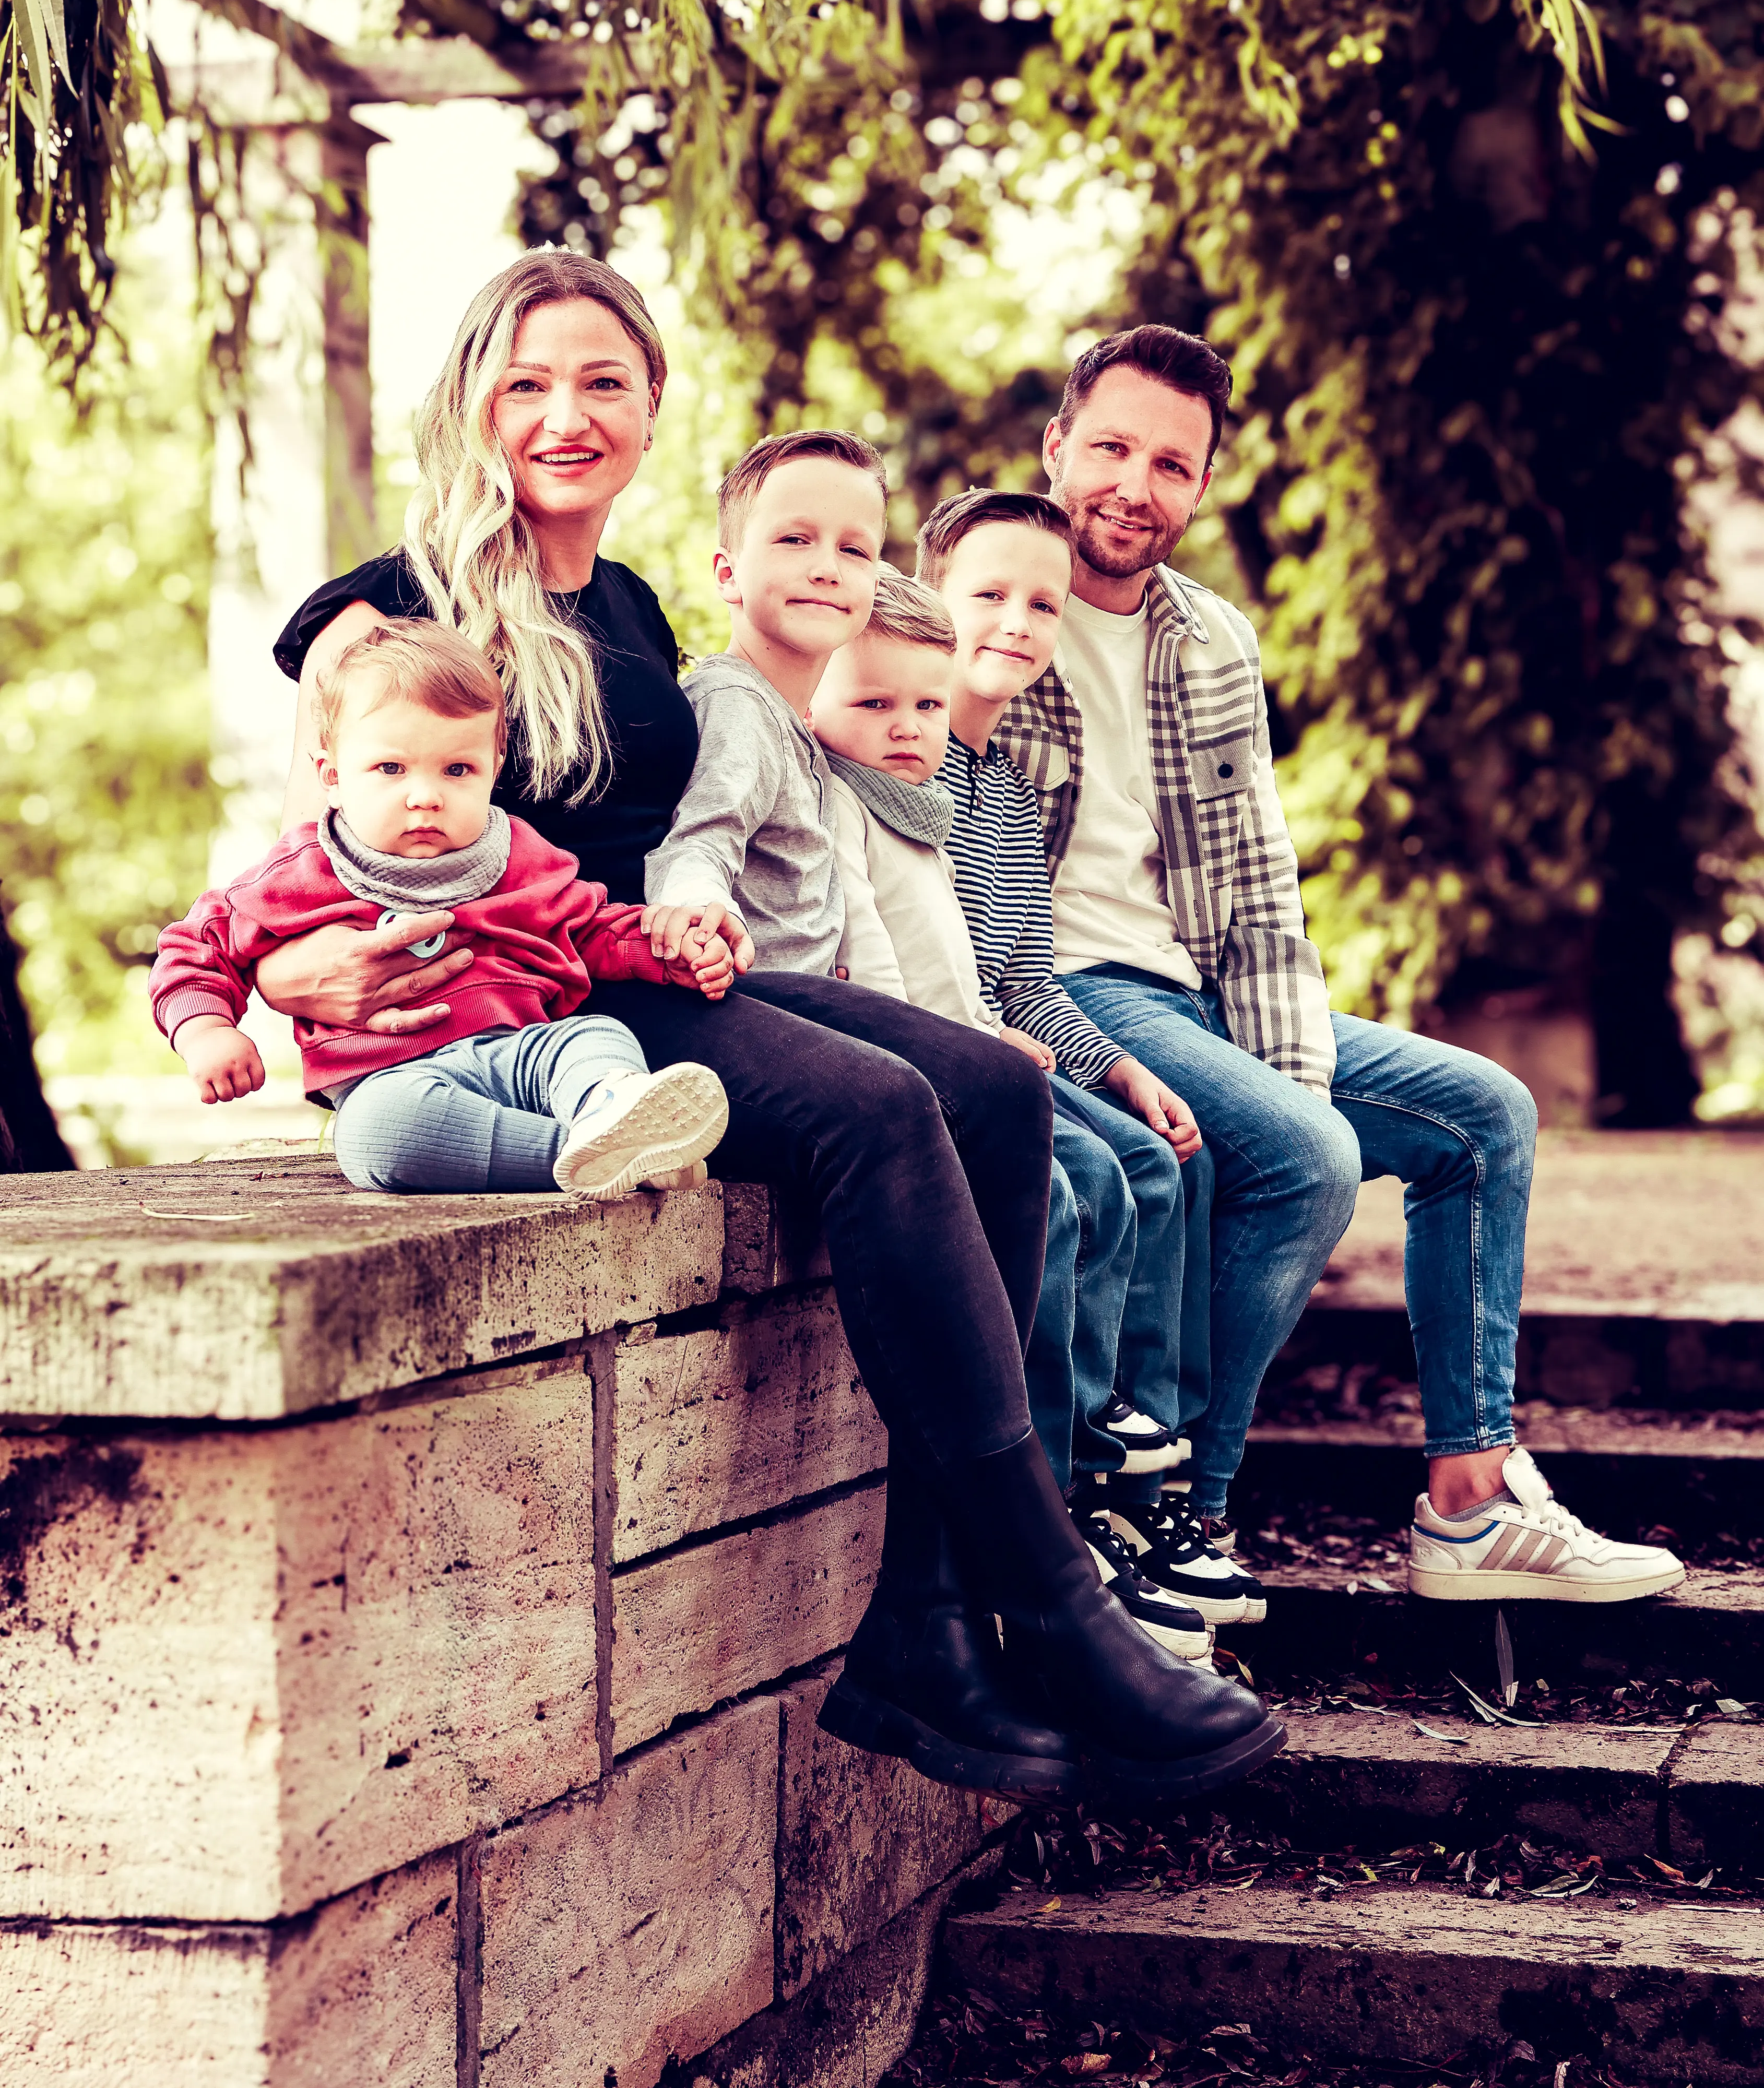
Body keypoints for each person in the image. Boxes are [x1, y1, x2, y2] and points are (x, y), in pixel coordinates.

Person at [255, 250, 1286, 1807]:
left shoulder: (623, 600)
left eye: (604, 380)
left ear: (652, 410)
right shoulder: (387, 606)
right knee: (871, 1112)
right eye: (529, 379)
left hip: (644, 967)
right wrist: (285, 977)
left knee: (995, 1093)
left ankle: (925, 1624)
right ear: (475, 398)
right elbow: (293, 849)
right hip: (532, 1017)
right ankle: (1054, 1597)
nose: (566, 412)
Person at [996, 322, 1685, 1608]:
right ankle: (1180, 1515)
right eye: (1108, 447)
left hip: (1195, 987)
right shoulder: (978, 586)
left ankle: (1470, 1498)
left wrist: (1284, 1072)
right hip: (1061, 985)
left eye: (1170, 462)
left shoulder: (1211, 638)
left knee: (1480, 1114)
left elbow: (1260, 897)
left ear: (1202, 483)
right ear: (1054, 447)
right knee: (1305, 1153)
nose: (1133, 486)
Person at [811, 564, 1213, 1662]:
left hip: (983, 1053)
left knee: (1137, 1168)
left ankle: (1097, 1452)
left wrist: (1029, 1040)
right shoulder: (840, 805)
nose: (907, 730)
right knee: (1070, 1190)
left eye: (924, 707)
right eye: (875, 704)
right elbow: (877, 969)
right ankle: (1051, 1474)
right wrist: (981, 1043)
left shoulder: (936, 803)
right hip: (924, 1071)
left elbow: (993, 970)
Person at [919, 490, 1263, 1629]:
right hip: (945, 1059)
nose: (1016, 623)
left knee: (1174, 1154)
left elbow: (1028, 984)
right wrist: (1005, 1042)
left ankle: (1143, 1480)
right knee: (1106, 1179)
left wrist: (1119, 1067)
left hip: (1017, 1044)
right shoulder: (894, 759)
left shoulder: (1009, 797)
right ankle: (1067, 1494)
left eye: (1042, 605)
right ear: (928, 595)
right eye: (989, 595)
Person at [150, 621, 733, 1197]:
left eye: (457, 770)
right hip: (393, 1079)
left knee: (597, 1038)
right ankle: (598, 1153)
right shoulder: (306, 869)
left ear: (493, 769)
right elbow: (199, 942)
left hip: (525, 1051)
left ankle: (609, 1106)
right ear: (332, 776)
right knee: (377, 1137)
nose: (425, 795)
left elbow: (586, 928)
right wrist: (206, 1030)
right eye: (390, 769)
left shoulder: (519, 857)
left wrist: (663, 953)